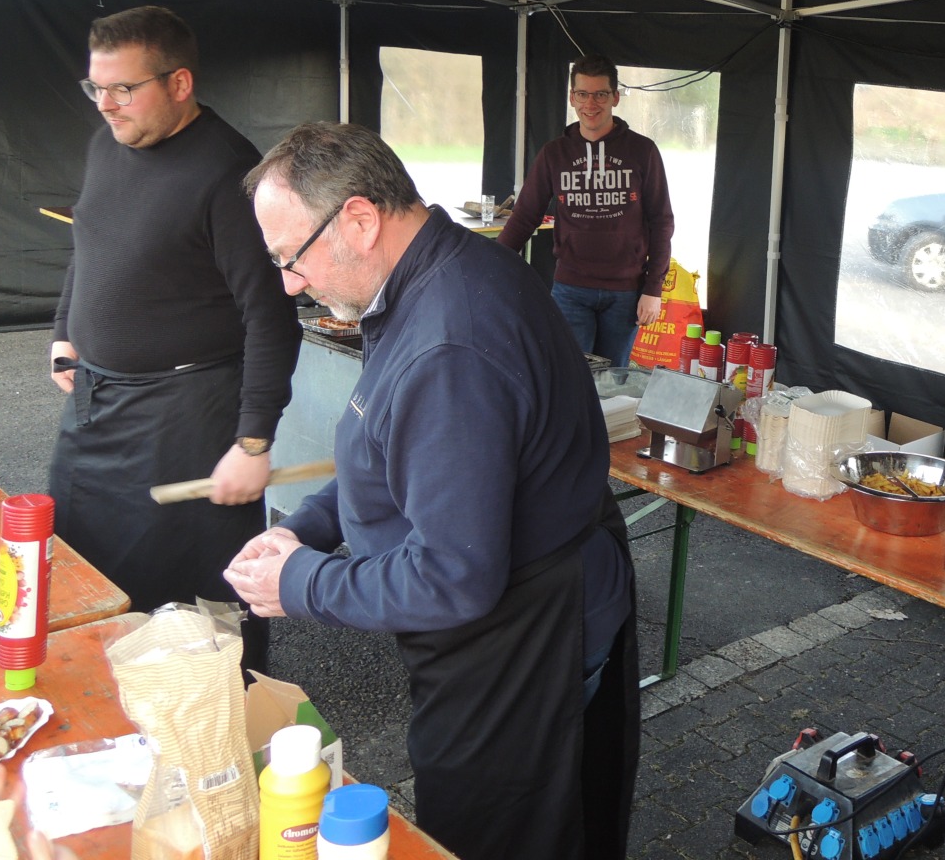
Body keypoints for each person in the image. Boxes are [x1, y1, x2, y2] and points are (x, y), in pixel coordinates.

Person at [225, 122, 638, 860]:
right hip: (510, 602)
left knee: (500, 829)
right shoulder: (431, 274)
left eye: (292, 258)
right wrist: (308, 527)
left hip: (523, 629)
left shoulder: (451, 342)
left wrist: (302, 583)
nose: (290, 282)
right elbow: (393, 452)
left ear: (359, 219)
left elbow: (452, 576)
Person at [48, 5, 299, 676]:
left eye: (123, 89)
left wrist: (253, 442)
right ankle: (110, 708)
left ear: (180, 83)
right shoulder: (108, 143)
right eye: (96, 87)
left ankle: (221, 716)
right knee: (83, 565)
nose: (106, 104)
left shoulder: (229, 174)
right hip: (97, 404)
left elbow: (271, 318)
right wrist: (66, 330)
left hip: (187, 415)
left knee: (190, 595)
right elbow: (88, 241)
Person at [496, 53, 674, 366]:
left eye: (600, 94)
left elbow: (662, 222)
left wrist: (653, 290)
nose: (590, 104)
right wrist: (490, 264)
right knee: (571, 376)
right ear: (572, 97)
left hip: (626, 292)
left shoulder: (642, 151)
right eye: (582, 94)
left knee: (614, 383)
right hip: (571, 290)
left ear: (615, 97)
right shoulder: (554, 154)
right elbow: (524, 217)